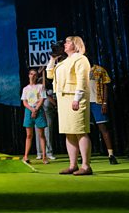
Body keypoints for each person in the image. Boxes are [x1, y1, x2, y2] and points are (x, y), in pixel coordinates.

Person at [47, 36, 92, 175]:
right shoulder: (63, 61)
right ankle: (73, 165)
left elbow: (82, 80)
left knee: (79, 130)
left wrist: (77, 98)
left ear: (76, 44)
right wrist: (53, 59)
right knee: (69, 132)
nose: (64, 44)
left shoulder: (81, 59)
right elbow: (50, 75)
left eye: (67, 42)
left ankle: (86, 165)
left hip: (74, 97)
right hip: (63, 99)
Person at [89, 64, 118, 164]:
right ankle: (86, 155)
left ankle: (111, 154)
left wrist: (104, 102)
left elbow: (106, 86)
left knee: (103, 128)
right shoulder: (79, 69)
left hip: (97, 102)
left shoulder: (99, 69)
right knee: (86, 130)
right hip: (84, 103)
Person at [21, 69, 49, 164]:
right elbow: (24, 102)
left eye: (35, 74)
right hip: (29, 110)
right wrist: (32, 109)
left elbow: (42, 98)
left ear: (37, 77)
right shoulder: (25, 89)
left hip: (38, 110)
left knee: (41, 134)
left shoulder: (40, 87)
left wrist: (36, 109)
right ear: (29, 75)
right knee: (29, 135)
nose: (33, 76)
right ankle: (25, 156)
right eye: (31, 74)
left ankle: (44, 156)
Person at [35, 83, 57, 160]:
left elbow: (54, 103)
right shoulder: (35, 91)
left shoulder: (51, 91)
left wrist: (46, 94)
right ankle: (40, 153)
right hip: (39, 113)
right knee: (38, 133)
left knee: (48, 133)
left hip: (48, 113)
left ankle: (49, 152)